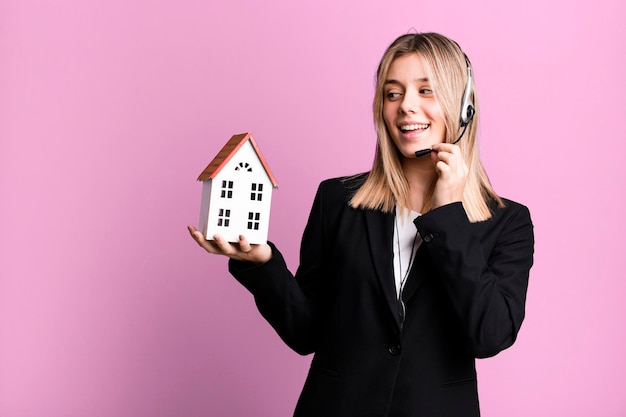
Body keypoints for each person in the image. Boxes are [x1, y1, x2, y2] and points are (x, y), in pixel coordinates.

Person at [188, 32, 534, 417]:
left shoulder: (508, 222)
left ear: (464, 107)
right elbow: (306, 333)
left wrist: (448, 214)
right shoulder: (338, 201)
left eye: (426, 91)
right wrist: (261, 263)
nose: (407, 107)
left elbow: (490, 335)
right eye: (393, 93)